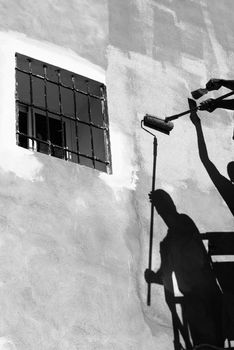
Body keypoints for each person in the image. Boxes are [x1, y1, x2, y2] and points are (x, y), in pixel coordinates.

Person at [145, 189, 224, 347]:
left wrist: (156, 277)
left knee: (210, 339)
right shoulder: (167, 243)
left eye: (164, 207)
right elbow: (166, 278)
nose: (164, 213)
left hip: (205, 294)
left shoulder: (184, 224)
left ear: (171, 205)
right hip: (196, 298)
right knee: (206, 340)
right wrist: (153, 278)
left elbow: (169, 275)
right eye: (161, 209)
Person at [189, 98, 234, 216]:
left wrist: (197, 126)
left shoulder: (229, 191)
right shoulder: (229, 192)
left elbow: (205, 160)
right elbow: (205, 160)